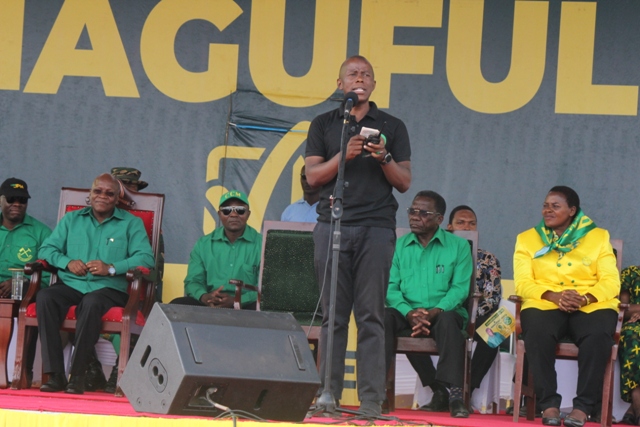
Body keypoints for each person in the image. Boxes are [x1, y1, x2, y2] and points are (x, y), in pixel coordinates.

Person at [305, 55, 411, 416]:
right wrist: (343, 156)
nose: (360, 78)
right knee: (333, 317)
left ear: (375, 85)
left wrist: (384, 157)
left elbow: (404, 182)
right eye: (353, 74)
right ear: (341, 84)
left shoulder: (392, 125)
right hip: (333, 225)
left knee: (371, 316)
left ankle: (370, 401)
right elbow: (313, 177)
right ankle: (328, 396)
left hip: (376, 229)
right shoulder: (323, 123)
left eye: (366, 74)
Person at [36, 173, 155, 394]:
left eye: (109, 193)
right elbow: (46, 250)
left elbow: (146, 259)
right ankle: (55, 375)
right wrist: (67, 262)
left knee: (91, 302)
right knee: (45, 297)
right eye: (97, 191)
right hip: (72, 285)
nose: (102, 196)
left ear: (117, 198)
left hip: (109, 289)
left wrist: (111, 268)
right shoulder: (71, 219)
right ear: (90, 195)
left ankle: (78, 376)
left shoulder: (131, 223)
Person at [514, 185, 620, 427]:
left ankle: (583, 407)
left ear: (572, 210)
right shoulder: (527, 239)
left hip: (590, 303)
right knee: (537, 332)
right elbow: (522, 283)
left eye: (555, 206)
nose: (547, 210)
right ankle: (548, 404)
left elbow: (611, 281)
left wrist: (586, 298)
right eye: (545, 206)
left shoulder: (598, 237)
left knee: (597, 335)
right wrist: (553, 296)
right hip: (545, 301)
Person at [384, 191, 473, 418]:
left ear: (439, 219)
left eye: (423, 213)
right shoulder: (399, 245)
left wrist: (435, 311)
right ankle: (378, 391)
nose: (415, 217)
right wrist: (409, 313)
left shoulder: (459, 246)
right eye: (412, 211)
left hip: (444, 311)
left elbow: (460, 289)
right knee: (383, 319)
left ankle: (455, 395)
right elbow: (391, 288)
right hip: (407, 312)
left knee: (448, 320)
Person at [83, 167, 164, 394]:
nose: (127, 192)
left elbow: (152, 271)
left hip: (131, 292)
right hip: (92, 288)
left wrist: (112, 269)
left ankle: (121, 373)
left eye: (131, 187)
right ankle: (92, 370)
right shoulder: (89, 218)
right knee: (67, 299)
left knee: (133, 319)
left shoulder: (143, 222)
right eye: (121, 186)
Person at [0, 178, 52, 387]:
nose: (17, 204)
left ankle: (23, 372)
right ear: (1, 200)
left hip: (24, 287)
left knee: (35, 299)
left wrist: (20, 281)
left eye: (22, 200)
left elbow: (48, 275)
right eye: (11, 199)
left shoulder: (41, 232)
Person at [170, 190, 260, 310]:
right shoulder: (203, 244)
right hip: (210, 303)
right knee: (176, 305)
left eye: (240, 210)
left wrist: (237, 301)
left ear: (248, 214)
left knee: (264, 308)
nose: (233, 214)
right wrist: (205, 297)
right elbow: (193, 281)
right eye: (227, 210)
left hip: (247, 305)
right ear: (219, 214)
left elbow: (268, 289)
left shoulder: (263, 244)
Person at [446, 205, 502, 396]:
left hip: (476, 316)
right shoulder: (439, 255)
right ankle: (436, 388)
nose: (467, 227)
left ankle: (467, 389)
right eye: (460, 223)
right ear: (449, 228)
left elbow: (493, 297)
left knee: (499, 326)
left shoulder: (488, 258)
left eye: (472, 224)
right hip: (445, 315)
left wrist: (471, 315)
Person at [617, 266, 640, 425]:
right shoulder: (631, 273)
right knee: (631, 335)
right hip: (634, 325)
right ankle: (637, 402)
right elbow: (622, 310)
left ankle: (634, 409)